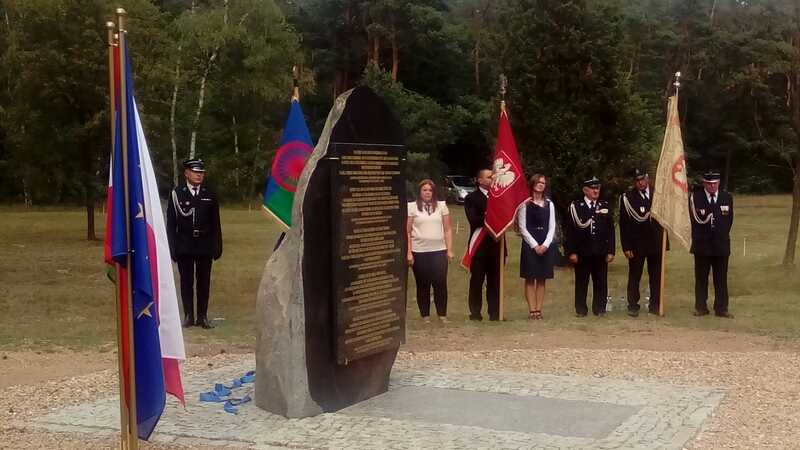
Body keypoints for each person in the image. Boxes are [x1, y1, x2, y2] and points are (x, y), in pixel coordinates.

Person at [167, 158, 223, 329]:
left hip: (205, 244)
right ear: (186, 173)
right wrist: (172, 248)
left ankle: (202, 317)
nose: (199, 175)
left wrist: (217, 244)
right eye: (196, 172)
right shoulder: (177, 193)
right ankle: (188, 316)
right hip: (184, 244)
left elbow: (216, 222)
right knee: (186, 282)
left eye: (201, 173)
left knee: (203, 282)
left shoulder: (209, 193)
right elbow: (171, 223)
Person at [619, 166, 668, 317]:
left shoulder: (658, 194)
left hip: (655, 242)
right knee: (635, 275)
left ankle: (655, 305)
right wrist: (626, 246)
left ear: (648, 178)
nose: (640, 183)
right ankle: (633, 305)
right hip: (637, 243)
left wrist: (665, 243)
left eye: (642, 179)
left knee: (656, 275)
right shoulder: (627, 198)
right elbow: (624, 224)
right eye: (637, 180)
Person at [565, 176, 615, 317]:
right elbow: (570, 231)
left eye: (597, 188)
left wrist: (611, 250)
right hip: (583, 251)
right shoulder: (576, 207)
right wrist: (572, 252)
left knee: (601, 281)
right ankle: (581, 309)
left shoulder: (604, 206)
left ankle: (599, 308)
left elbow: (610, 230)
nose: (595, 191)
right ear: (585, 190)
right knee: (582, 282)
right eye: (592, 188)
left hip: (600, 250)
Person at [406, 180, 455, 323]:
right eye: (424, 190)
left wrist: (450, 249)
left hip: (439, 250)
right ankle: (425, 316)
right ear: (419, 192)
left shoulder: (441, 206)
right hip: (419, 251)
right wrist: (409, 252)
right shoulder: (412, 207)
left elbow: (448, 229)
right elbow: (407, 231)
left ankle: (442, 315)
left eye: (430, 190)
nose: (427, 193)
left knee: (440, 282)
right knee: (423, 283)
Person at [689, 170, 734, 318]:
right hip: (702, 245)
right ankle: (701, 307)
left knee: (721, 278)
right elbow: (693, 221)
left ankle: (721, 308)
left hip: (720, 245)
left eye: (714, 184)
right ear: (704, 183)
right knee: (701, 278)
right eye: (709, 184)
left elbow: (729, 221)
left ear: (718, 183)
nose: (712, 187)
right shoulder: (696, 198)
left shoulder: (727, 198)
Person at [464, 167, 504, 321]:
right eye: (489, 177)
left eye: (493, 177)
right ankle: (475, 313)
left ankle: (495, 313)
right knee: (477, 281)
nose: (492, 179)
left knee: (495, 283)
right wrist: (490, 214)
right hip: (479, 247)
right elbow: (474, 220)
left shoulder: (498, 197)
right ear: (479, 180)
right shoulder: (471, 198)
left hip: (496, 246)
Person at [516, 174, 557, 321]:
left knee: (541, 279)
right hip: (530, 244)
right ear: (532, 184)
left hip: (545, 242)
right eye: (538, 182)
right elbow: (522, 227)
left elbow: (552, 226)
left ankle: (539, 310)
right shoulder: (525, 204)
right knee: (529, 278)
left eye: (543, 183)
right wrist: (534, 245)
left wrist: (545, 244)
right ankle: (532, 310)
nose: (541, 185)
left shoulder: (549, 204)